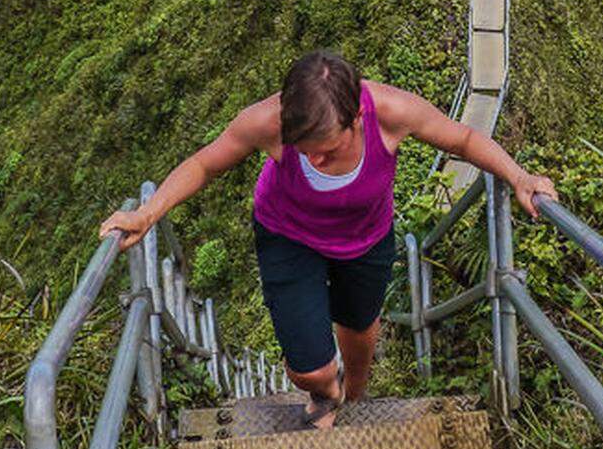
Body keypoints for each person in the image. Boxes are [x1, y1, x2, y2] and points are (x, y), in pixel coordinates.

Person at [99, 49, 558, 429]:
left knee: (359, 329)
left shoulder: (391, 114)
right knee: (308, 368)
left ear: (357, 116)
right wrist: (148, 213)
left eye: (328, 148)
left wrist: (519, 176)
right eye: (304, 149)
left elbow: (462, 139)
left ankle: (353, 399)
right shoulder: (267, 122)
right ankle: (326, 389)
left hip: (366, 239)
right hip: (289, 235)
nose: (316, 159)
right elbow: (204, 164)